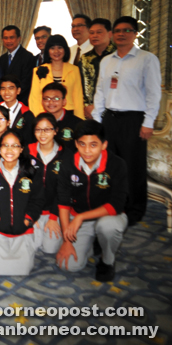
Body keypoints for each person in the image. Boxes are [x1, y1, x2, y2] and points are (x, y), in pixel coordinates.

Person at [93, 15, 161, 226]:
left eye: (127, 30)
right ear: (113, 34)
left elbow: (153, 93)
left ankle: (135, 208)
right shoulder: (107, 60)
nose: (122, 34)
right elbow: (100, 92)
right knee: (109, 165)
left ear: (135, 34)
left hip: (134, 120)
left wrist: (148, 122)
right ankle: (114, 204)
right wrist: (97, 121)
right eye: (118, 30)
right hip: (110, 120)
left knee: (133, 166)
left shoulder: (147, 59)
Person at [56, 120, 128, 282]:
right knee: (69, 265)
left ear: (104, 145)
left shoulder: (117, 164)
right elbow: (63, 202)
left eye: (93, 145)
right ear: (76, 144)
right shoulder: (68, 164)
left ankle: (107, 260)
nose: (87, 151)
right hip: (78, 217)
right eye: (82, 144)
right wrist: (67, 241)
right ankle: (92, 242)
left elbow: (117, 204)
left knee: (108, 228)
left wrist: (81, 218)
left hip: (108, 216)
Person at [0, 130, 44, 276]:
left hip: (23, 229)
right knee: (1, 270)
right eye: (5, 145)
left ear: (21, 148)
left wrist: (28, 219)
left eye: (15, 146)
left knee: (22, 270)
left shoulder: (30, 172)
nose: (10, 150)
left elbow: (37, 199)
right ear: (0, 148)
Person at [26, 113, 65, 254]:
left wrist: (54, 217)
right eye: (38, 129)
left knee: (50, 249)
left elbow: (64, 190)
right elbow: (21, 185)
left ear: (55, 131)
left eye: (47, 129)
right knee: (33, 246)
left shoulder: (65, 155)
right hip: (31, 209)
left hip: (54, 211)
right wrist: (29, 213)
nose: (42, 134)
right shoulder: (26, 152)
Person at [29, 35, 84, 119]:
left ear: (65, 49)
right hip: (45, 114)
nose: (56, 51)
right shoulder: (38, 70)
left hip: (68, 115)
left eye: (60, 47)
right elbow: (34, 98)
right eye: (52, 48)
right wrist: (37, 120)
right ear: (48, 51)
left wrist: (79, 121)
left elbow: (78, 98)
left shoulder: (74, 70)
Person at [78, 18, 116, 120]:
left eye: (99, 32)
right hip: (90, 112)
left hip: (114, 110)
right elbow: (80, 85)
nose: (94, 36)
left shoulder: (118, 56)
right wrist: (87, 106)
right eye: (91, 33)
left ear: (109, 34)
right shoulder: (85, 58)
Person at [0, 25, 36, 105]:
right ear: (2, 39)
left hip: (22, 102)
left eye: (12, 37)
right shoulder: (2, 58)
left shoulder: (28, 56)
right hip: (6, 101)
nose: (8, 41)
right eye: (5, 38)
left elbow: (26, 83)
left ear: (19, 38)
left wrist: (12, 97)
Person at [41, 82, 82, 151]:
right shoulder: (38, 122)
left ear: (64, 101)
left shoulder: (77, 123)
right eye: (46, 99)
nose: (51, 102)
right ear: (42, 102)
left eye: (56, 99)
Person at [0, 75, 34, 144]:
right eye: (3, 89)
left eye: (11, 88)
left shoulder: (27, 114)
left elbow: (30, 140)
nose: (6, 92)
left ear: (18, 91)